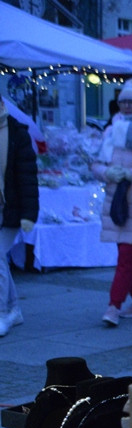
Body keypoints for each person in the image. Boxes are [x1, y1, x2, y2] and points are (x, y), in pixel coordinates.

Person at [92, 79, 132, 327]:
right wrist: (107, 174)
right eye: (123, 101)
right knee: (127, 255)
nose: (126, 105)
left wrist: (131, 175)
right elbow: (95, 162)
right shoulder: (110, 129)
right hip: (116, 203)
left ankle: (113, 306)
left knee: (127, 256)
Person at [0, 98, 38, 337]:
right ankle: (13, 309)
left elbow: (27, 178)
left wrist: (28, 214)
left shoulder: (16, 132)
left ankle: (2, 313)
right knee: (0, 260)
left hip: (9, 209)